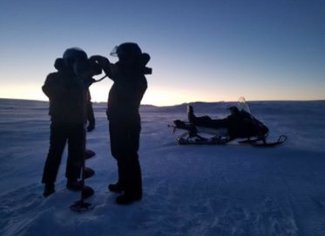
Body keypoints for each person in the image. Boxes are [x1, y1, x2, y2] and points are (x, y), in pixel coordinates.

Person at [91, 42, 151, 204]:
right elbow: (116, 73)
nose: (119, 59)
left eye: (122, 56)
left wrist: (104, 63)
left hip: (127, 121)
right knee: (119, 153)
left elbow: (118, 75)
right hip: (118, 120)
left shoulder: (135, 75)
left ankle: (134, 192)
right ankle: (123, 183)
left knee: (129, 156)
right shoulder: (129, 72)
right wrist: (105, 64)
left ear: (128, 57)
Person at [41, 48, 90, 197]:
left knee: (76, 153)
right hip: (60, 123)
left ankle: (72, 180)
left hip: (78, 124)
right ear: (68, 62)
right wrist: (73, 79)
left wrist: (91, 118)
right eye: (77, 62)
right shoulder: (54, 77)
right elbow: (51, 92)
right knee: (55, 153)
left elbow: (86, 101)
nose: (79, 66)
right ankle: (49, 185)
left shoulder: (80, 79)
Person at [188, 105, 269, 140]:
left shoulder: (240, 117)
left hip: (228, 124)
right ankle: (194, 120)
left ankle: (194, 119)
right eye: (231, 111)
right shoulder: (236, 118)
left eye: (232, 111)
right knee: (210, 121)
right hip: (227, 125)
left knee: (210, 120)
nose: (231, 112)